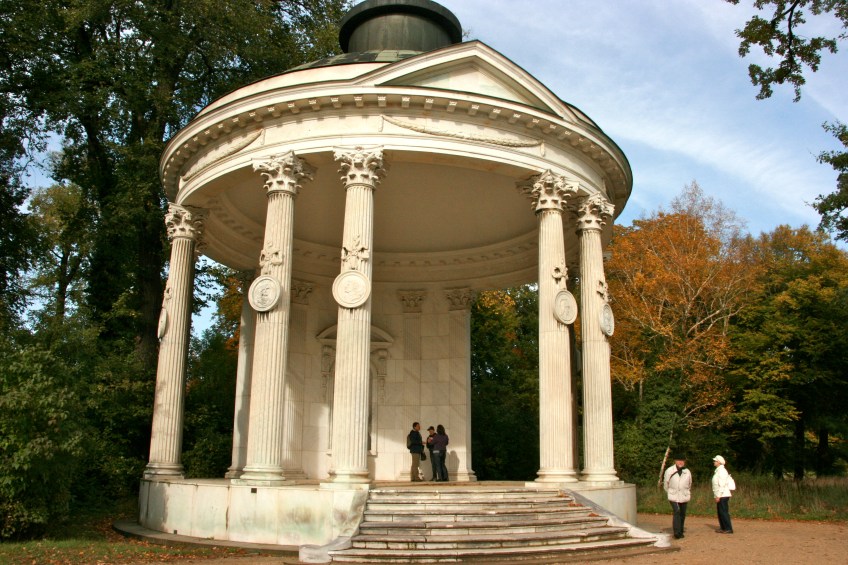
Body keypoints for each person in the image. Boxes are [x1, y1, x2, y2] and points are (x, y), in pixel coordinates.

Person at [663, 455, 692, 539]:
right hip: (673, 495)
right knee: (677, 511)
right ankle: (677, 532)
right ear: (675, 461)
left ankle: (680, 529)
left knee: (682, 513)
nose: (680, 462)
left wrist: (686, 491)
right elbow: (666, 484)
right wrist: (670, 492)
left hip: (684, 495)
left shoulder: (687, 471)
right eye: (679, 460)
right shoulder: (669, 471)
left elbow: (690, 483)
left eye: (682, 461)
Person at [712, 455, 733, 534]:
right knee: (720, 511)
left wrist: (718, 495)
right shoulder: (718, 470)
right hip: (720, 494)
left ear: (719, 462)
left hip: (723, 495)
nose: (714, 462)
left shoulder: (722, 471)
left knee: (723, 511)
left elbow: (722, 484)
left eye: (715, 461)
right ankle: (723, 527)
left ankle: (728, 528)